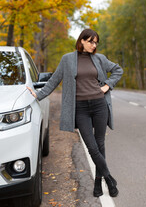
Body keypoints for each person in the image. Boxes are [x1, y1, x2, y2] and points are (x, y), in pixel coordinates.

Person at [27, 28, 123, 198]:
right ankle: (109, 178)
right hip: (80, 109)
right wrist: (38, 94)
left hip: (99, 105)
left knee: (100, 144)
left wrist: (107, 85)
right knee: (92, 146)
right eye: (91, 41)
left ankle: (98, 182)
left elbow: (118, 70)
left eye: (96, 42)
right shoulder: (68, 59)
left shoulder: (99, 59)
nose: (94, 45)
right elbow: (54, 80)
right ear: (82, 41)